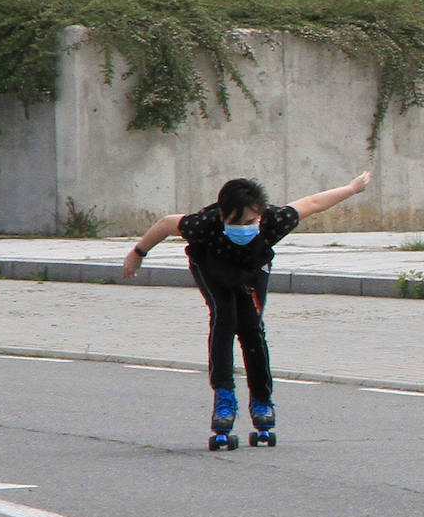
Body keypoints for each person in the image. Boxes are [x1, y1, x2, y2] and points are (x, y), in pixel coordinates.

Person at [123, 172, 372, 448]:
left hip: (252, 270)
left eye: (251, 221)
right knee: (224, 320)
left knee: (252, 330)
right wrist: (138, 253)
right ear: (222, 215)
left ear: (260, 214)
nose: (245, 227)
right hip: (212, 266)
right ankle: (224, 400)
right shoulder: (205, 224)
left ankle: (262, 401)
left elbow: (312, 202)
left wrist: (351, 188)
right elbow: (166, 224)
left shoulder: (273, 220)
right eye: (236, 222)